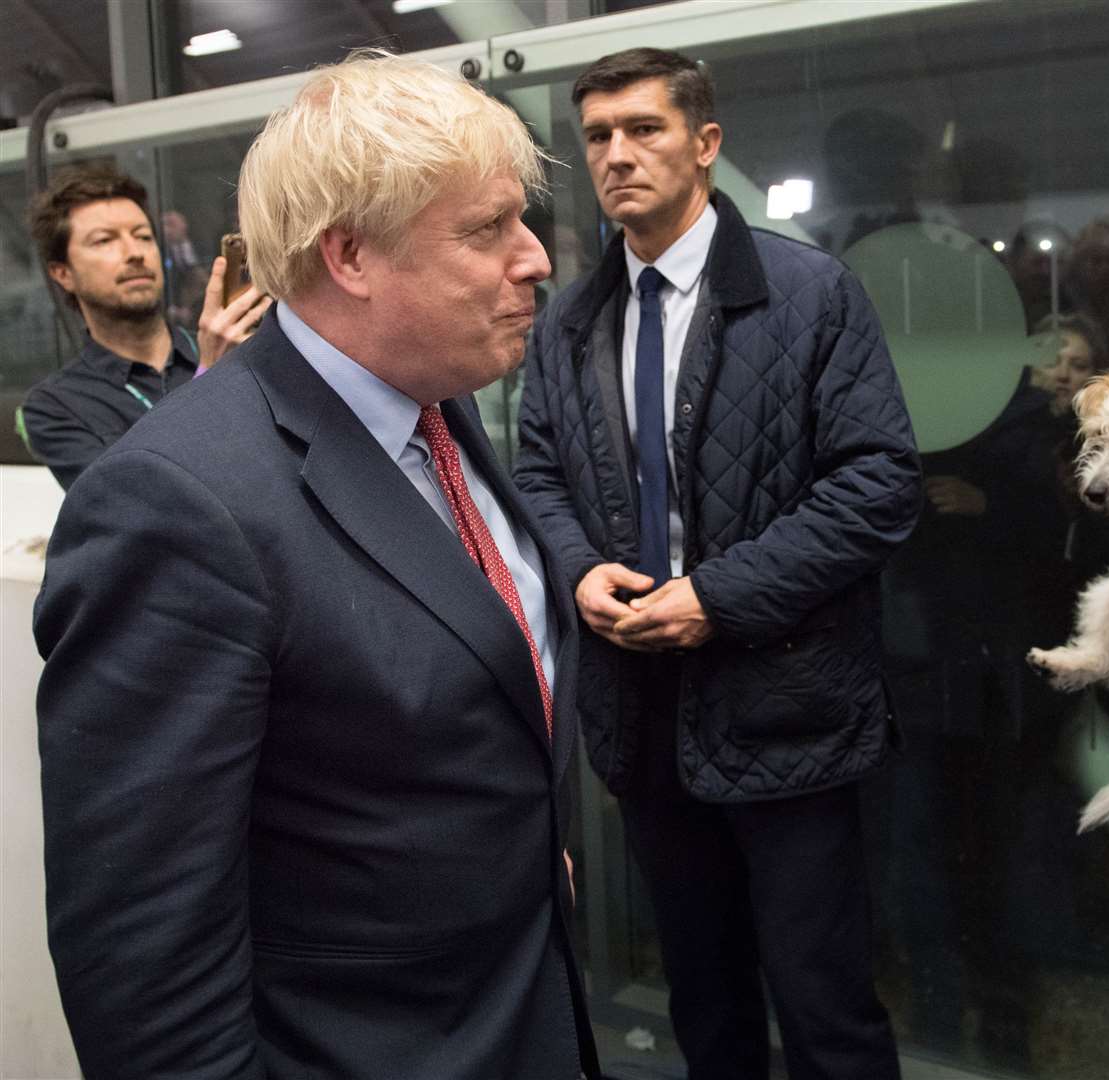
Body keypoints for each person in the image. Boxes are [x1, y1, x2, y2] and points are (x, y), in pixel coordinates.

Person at [34, 52, 597, 1079]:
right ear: (350, 256)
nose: (535, 259)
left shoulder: (438, 400)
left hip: (517, 1014)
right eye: (486, 231)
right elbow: (144, 962)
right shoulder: (177, 505)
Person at [514, 47, 919, 1080]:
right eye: (598, 135)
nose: (617, 155)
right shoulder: (569, 319)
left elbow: (877, 486)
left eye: (644, 129)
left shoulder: (807, 292)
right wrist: (575, 572)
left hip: (783, 704)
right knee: (705, 1001)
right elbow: (537, 476)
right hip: (642, 713)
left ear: (705, 145)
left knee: (824, 1007)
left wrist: (719, 597)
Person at [21, 164, 270, 489]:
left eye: (143, 236)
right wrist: (210, 375)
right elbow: (130, 505)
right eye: (104, 241)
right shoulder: (56, 406)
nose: (135, 253)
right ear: (62, 273)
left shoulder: (231, 349)